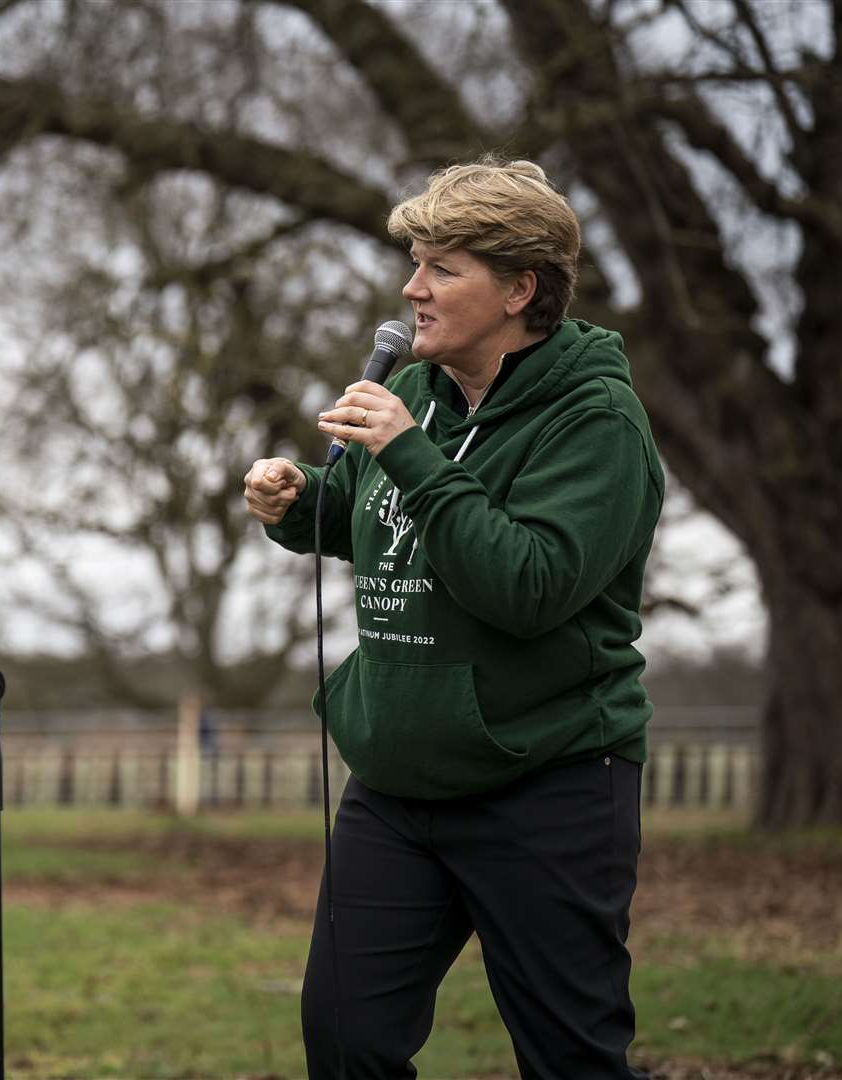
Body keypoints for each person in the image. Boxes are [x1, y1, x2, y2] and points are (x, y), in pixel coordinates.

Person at [243, 158, 662, 1078]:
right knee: (347, 1043)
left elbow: (528, 584)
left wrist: (408, 454)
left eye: (442, 268)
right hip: (396, 785)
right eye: (415, 262)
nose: (412, 288)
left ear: (521, 288)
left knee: (570, 1057)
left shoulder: (596, 420)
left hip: (545, 779)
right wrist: (300, 500)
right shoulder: (421, 395)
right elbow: (381, 521)